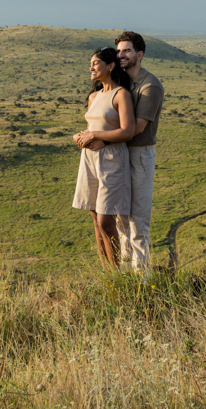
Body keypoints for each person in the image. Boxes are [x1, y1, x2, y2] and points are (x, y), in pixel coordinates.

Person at [77, 31, 163, 270]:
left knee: (137, 220)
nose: (121, 54)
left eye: (127, 50)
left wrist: (100, 139)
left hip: (138, 153)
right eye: (119, 50)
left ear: (140, 54)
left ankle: (141, 278)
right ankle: (124, 272)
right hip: (117, 153)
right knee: (121, 219)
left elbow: (135, 128)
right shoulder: (122, 83)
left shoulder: (149, 86)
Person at [71, 47, 136, 268]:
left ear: (111, 66)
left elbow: (127, 131)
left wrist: (97, 135)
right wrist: (81, 136)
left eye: (96, 63)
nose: (91, 67)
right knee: (95, 220)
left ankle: (119, 272)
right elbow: (92, 126)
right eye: (91, 63)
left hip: (112, 160)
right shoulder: (93, 96)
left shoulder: (121, 95)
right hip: (89, 158)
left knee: (106, 220)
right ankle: (107, 273)